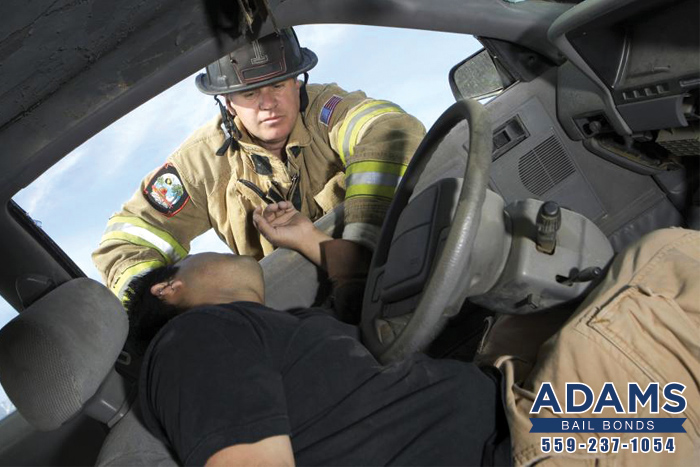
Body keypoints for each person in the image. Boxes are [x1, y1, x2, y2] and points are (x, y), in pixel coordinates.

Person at [129, 202, 699, 465]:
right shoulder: (193, 341)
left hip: (523, 416)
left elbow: (355, 298)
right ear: (167, 289)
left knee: (657, 419)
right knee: (665, 260)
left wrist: (308, 240)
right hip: (522, 450)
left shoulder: (281, 329)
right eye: (194, 257)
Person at [92, 27, 426, 301]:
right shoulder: (202, 162)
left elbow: (390, 130)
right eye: (250, 93)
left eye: (279, 84)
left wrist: (357, 252)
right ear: (228, 102)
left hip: (392, 272)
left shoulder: (327, 109)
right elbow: (126, 241)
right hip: (288, 313)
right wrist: (166, 311)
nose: (268, 103)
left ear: (298, 83)